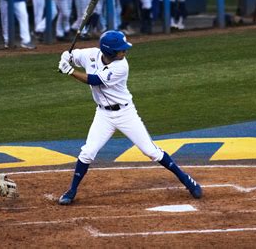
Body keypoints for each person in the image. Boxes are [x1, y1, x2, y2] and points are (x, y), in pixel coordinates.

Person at [57, 30, 202, 205]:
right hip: (103, 115)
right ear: (109, 51)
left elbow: (94, 80)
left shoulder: (121, 66)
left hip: (125, 114)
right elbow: (74, 55)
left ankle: (187, 180)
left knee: (151, 151)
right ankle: (72, 190)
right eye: (121, 49)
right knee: (87, 152)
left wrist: (70, 71)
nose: (124, 51)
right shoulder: (90, 55)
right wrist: (67, 56)